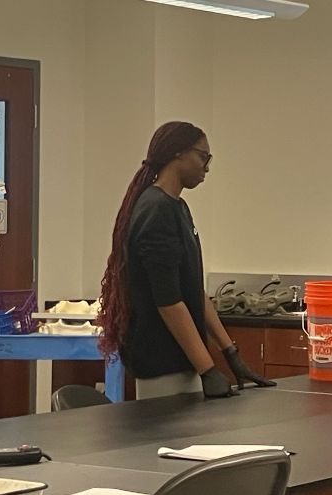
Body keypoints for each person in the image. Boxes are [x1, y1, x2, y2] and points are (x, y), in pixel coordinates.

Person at [98, 121, 274, 400]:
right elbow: (168, 302)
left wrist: (230, 352)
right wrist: (207, 369)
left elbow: (191, 290)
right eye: (203, 157)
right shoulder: (155, 210)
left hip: (184, 361)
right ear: (177, 153)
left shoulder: (177, 207)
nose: (207, 167)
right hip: (161, 362)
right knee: (167, 441)